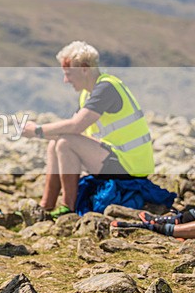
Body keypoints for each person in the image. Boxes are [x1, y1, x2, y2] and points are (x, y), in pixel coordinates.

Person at [21, 41, 154, 217]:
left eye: (68, 74)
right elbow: (70, 128)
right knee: (56, 142)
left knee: (65, 143)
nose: (65, 80)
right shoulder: (88, 93)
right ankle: (46, 206)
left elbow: (76, 126)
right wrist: (41, 133)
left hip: (130, 165)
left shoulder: (106, 87)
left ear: (84, 69)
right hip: (116, 159)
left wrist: (37, 130)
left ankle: (68, 209)